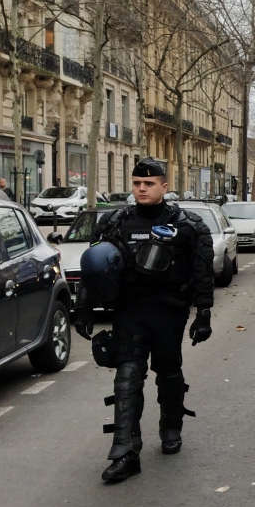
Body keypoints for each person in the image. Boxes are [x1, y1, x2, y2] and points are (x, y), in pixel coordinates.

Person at [73, 157, 214, 483]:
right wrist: (83, 310)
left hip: (169, 311)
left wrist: (203, 314)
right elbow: (92, 269)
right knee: (127, 378)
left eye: (149, 184)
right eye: (137, 183)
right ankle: (125, 452)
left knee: (167, 373)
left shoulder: (188, 225)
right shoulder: (114, 223)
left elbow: (202, 273)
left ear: (164, 186)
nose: (141, 188)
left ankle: (170, 427)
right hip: (130, 311)